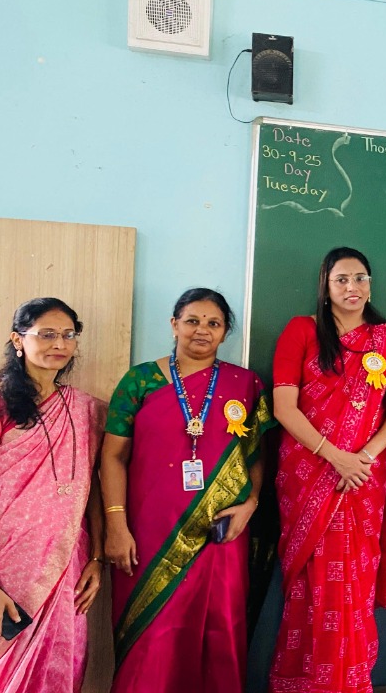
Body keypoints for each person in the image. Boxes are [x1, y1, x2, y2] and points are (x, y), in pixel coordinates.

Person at [101, 288, 274, 693]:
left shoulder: (245, 384)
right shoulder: (141, 380)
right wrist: (116, 526)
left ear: (225, 332)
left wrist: (250, 504)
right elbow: (112, 457)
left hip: (222, 533)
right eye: (192, 320)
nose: (202, 330)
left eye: (214, 323)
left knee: (219, 631)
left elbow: (256, 455)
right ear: (174, 324)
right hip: (147, 534)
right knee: (152, 637)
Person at [268, 248, 386, 693]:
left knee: (354, 583)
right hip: (310, 472)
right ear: (325, 286)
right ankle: (307, 682)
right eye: (342, 279)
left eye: (361, 278)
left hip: (364, 478)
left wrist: (363, 457)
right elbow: (284, 407)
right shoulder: (302, 330)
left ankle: (349, 680)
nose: (353, 288)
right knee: (314, 584)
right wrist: (336, 456)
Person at [0, 298, 105, 692]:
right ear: (18, 340)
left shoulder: (88, 410)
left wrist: (98, 558)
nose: (60, 344)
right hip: (1, 569)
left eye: (68, 335)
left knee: (58, 667)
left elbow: (94, 490)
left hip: (68, 566)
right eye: (47, 334)